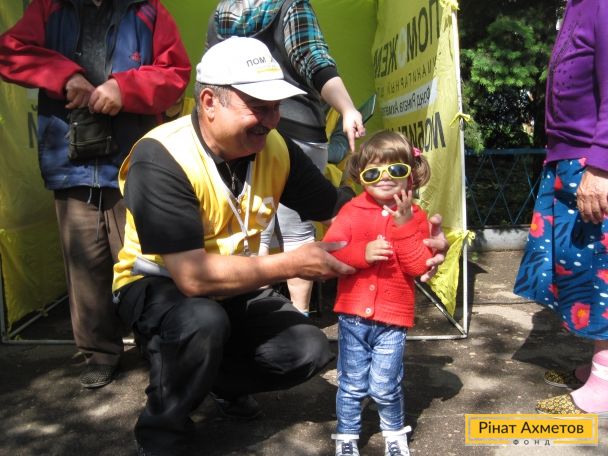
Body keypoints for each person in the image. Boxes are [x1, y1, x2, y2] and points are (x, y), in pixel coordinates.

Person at [112, 36, 448, 456]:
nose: (272, 120)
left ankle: (218, 382)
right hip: (160, 285)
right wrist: (292, 264)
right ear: (210, 102)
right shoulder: (161, 156)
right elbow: (193, 279)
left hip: (238, 284)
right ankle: (162, 430)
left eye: (276, 107)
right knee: (200, 321)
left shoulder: (275, 147)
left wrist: (415, 238)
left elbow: (340, 212)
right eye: (259, 106)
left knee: (307, 349)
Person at [0, 0, 191, 389]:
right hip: (71, 160)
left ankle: (156, 345)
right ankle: (100, 352)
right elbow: (9, 52)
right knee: (84, 265)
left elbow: (176, 73)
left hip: (133, 162)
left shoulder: (149, 10)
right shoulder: (50, 6)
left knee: (145, 263)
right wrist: (63, 76)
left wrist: (125, 88)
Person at [207, 0, 366, 316]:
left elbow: (212, 74)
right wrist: (346, 106)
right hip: (299, 127)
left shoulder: (220, 14)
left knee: (250, 229)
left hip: (241, 131)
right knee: (297, 232)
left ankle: (254, 315)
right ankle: (297, 315)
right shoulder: (291, 6)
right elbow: (314, 60)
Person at [514, 0, 608, 417]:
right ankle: (601, 364)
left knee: (600, 271)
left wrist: (602, 164)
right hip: (571, 158)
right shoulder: (576, 4)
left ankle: (606, 381)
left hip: (593, 162)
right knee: (581, 269)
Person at [323, 131, 432, 456]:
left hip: (393, 321)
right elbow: (329, 253)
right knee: (351, 384)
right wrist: (362, 253)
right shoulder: (351, 211)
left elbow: (418, 266)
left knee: (385, 385)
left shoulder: (417, 216)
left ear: (410, 173)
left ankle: (394, 433)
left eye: (395, 169)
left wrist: (405, 225)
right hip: (353, 317)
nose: (384, 178)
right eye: (373, 172)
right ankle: (346, 436)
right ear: (360, 175)